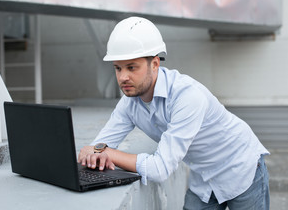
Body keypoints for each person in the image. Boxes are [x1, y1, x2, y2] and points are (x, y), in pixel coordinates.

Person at [78, 16, 270, 209]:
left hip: (240, 167)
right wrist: (97, 150)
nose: (123, 77)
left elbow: (160, 168)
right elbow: (99, 146)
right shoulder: (129, 103)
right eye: (117, 68)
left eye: (131, 67)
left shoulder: (187, 96)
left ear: (154, 64)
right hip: (203, 175)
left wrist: (106, 152)